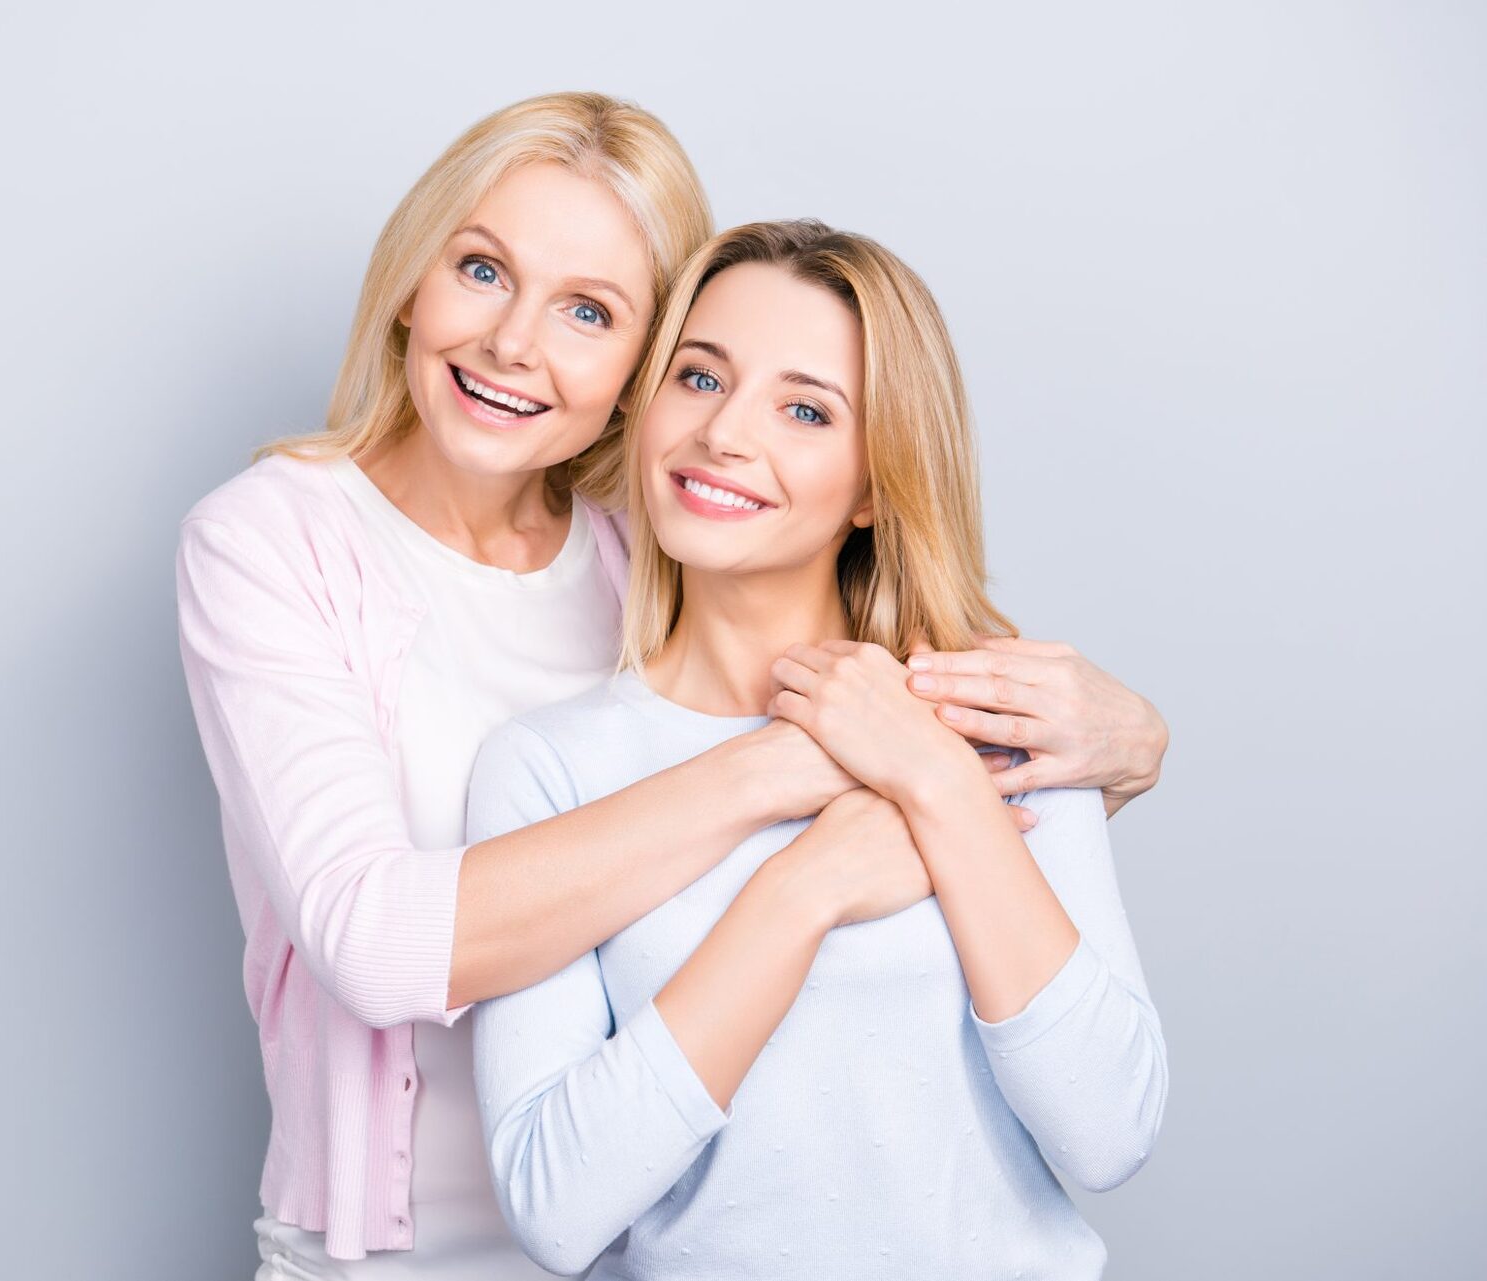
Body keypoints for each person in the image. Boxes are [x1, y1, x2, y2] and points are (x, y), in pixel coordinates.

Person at [175, 95, 1170, 1279]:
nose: (513, 344)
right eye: (482, 269)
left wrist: (1124, 740)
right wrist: (797, 793)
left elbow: (1102, 1109)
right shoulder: (281, 548)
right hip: (414, 1250)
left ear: (626, 372)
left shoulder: (647, 560)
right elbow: (384, 950)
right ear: (410, 275)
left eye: (587, 311)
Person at [466, 221, 1168, 1279]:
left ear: (878, 484)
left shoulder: (997, 717)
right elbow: (558, 1210)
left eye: (804, 409)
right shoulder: (548, 767)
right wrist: (803, 891)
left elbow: (1110, 1131)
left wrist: (938, 783)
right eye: (700, 378)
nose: (725, 436)